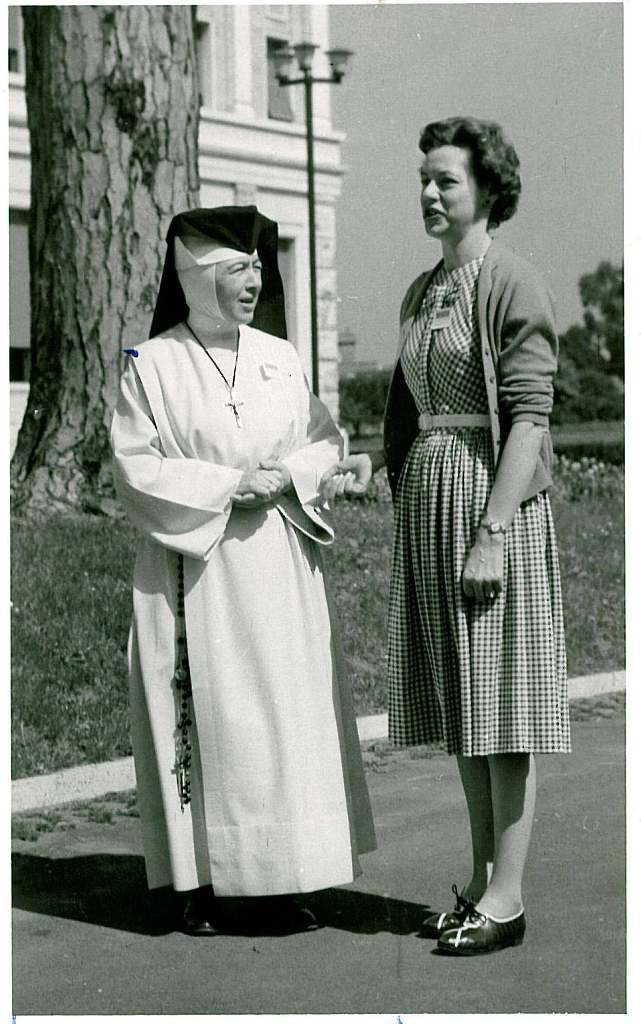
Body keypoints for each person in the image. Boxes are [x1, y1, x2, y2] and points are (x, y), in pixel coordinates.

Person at [324, 118, 570, 956]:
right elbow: (410, 406)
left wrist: (491, 531)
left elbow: (531, 418)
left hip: (489, 511)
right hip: (432, 505)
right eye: (423, 180)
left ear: (486, 190)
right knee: (464, 708)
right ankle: (476, 883)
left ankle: (507, 897)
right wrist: (374, 467)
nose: (428, 194)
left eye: (445, 182)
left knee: (501, 707)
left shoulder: (512, 283)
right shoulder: (422, 291)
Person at [111, 205, 375, 936]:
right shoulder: (150, 365)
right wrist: (230, 486)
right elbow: (135, 469)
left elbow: (322, 439)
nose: (253, 280)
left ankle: (286, 875)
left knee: (284, 721)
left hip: (278, 566)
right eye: (235, 270)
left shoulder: (278, 357)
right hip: (200, 570)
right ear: (198, 281)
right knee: (216, 722)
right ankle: (201, 885)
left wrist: (286, 474)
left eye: (257, 266)